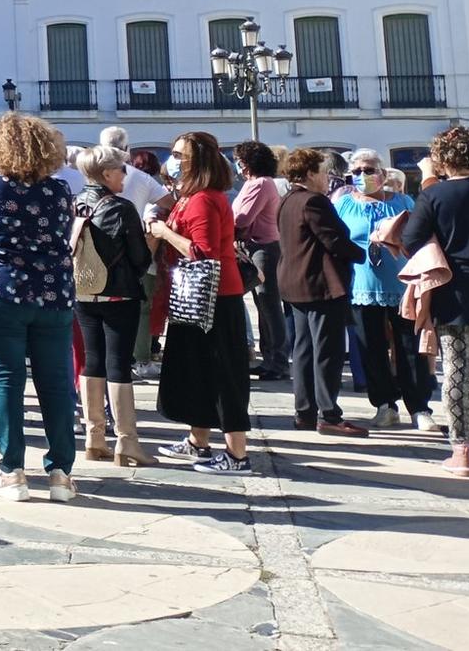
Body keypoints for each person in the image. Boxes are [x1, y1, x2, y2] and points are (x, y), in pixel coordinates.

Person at [0, 112, 77, 501]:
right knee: (56, 382)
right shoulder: (61, 190)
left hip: (5, 290)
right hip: (54, 292)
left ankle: (12, 469)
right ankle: (61, 471)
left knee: (8, 381)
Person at [148, 130, 255, 472]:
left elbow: (203, 252)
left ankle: (238, 455)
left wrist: (164, 232)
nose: (174, 162)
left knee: (223, 373)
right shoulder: (190, 197)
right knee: (198, 371)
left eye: (180, 156)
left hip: (215, 298)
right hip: (196, 297)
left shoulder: (205, 200)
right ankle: (198, 441)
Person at [403, 126, 469, 476]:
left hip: (455, 293)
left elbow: (411, 239)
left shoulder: (437, 196)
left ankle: (462, 453)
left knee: (459, 371)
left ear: (444, 160)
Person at [334, 149, 436, 433]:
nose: (362, 176)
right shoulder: (343, 205)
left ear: (382, 173)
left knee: (409, 348)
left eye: (368, 170)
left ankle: (419, 408)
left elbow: (419, 234)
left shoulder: (402, 201)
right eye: (356, 172)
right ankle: (384, 405)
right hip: (361, 286)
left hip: (401, 285)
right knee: (371, 348)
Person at [275, 145, 364, 436]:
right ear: (311, 173)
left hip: (294, 282)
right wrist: (360, 252)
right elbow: (333, 240)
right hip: (318, 284)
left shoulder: (288, 200)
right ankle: (329, 414)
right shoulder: (314, 201)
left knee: (303, 349)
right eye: (324, 173)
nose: (327, 179)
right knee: (327, 350)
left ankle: (304, 412)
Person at [76, 144, 154, 465]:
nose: (125, 174)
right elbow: (139, 258)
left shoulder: (76, 203)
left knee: (92, 361)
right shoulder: (122, 208)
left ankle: (94, 439)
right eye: (121, 169)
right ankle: (126, 442)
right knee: (118, 364)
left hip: (83, 293)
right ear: (106, 174)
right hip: (119, 294)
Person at [232, 142, 290, 383]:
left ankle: (277, 360)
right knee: (262, 304)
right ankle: (270, 358)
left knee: (268, 303)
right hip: (255, 246)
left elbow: (242, 217)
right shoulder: (254, 184)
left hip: (262, 247)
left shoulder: (260, 184)